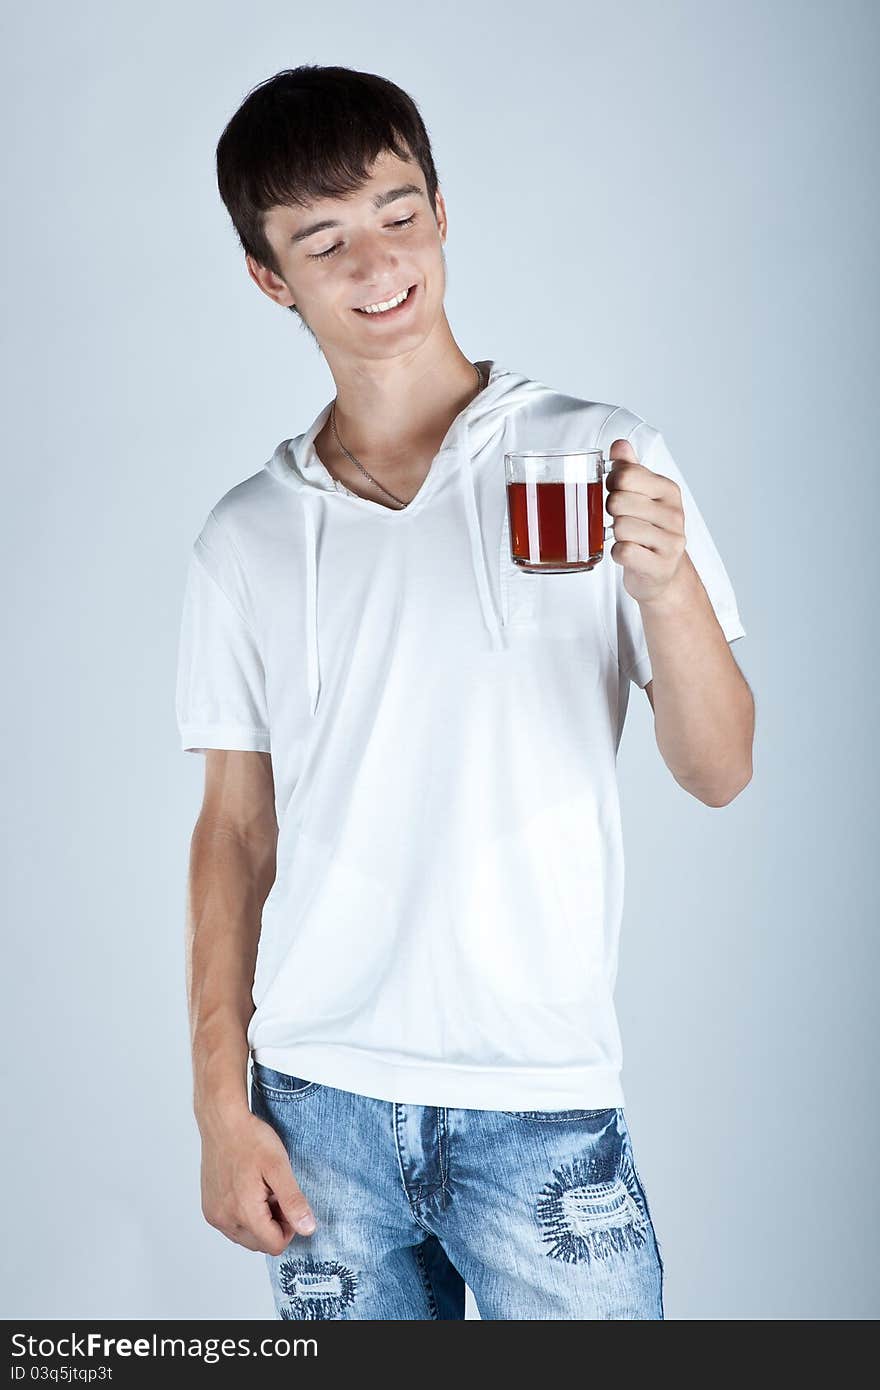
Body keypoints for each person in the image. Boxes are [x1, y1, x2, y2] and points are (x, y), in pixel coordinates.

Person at [175, 64, 754, 1322]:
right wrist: (224, 1107)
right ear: (272, 278)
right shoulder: (245, 536)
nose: (376, 261)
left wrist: (665, 591)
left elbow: (719, 769)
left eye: (396, 212)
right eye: (323, 240)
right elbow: (233, 831)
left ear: (442, 209)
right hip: (315, 1108)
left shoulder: (601, 454)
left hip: (540, 1107)